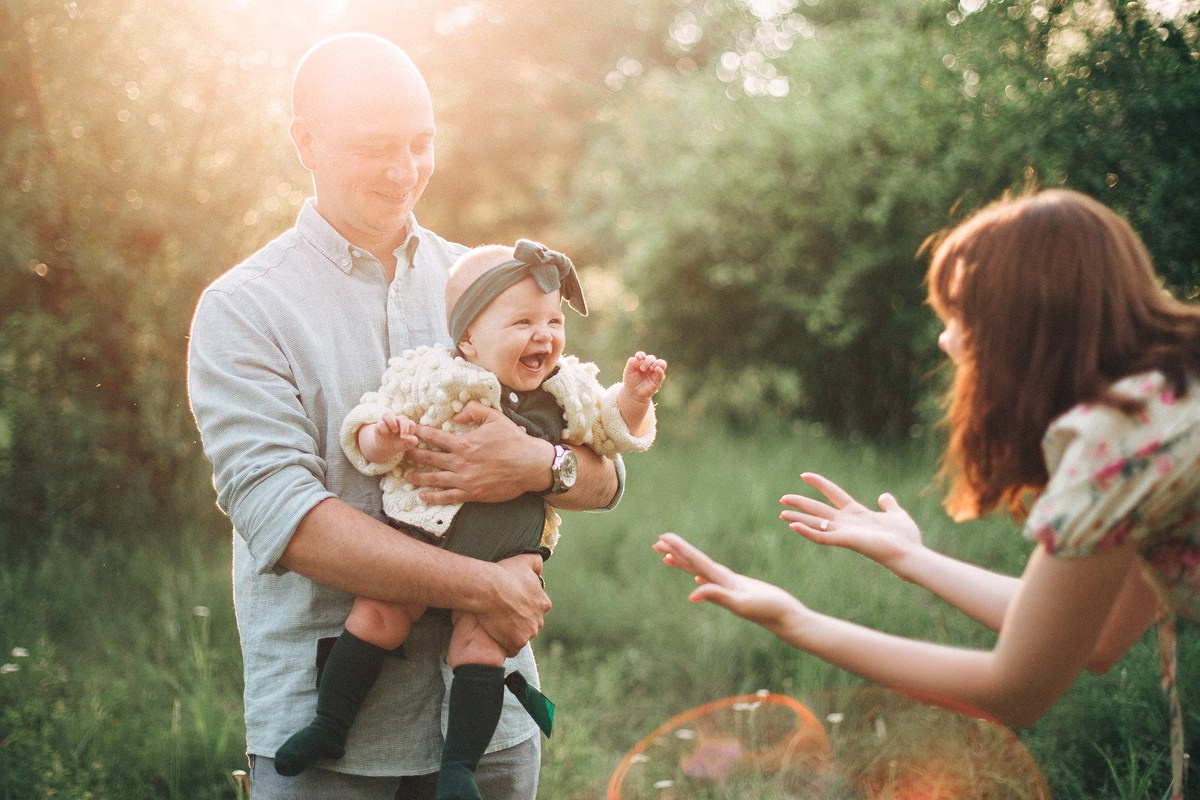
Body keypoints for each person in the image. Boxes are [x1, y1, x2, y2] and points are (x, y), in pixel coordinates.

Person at [187, 33, 625, 800]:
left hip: (485, 729)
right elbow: (287, 520)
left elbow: (607, 475)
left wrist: (535, 465)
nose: (405, 171)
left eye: (422, 143)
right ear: (306, 143)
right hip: (334, 745)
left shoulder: (489, 286)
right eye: (375, 146)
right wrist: (485, 589)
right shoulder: (244, 309)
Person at [653, 188, 1200, 800]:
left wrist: (796, 621)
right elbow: (1095, 640)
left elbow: (1017, 688)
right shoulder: (1169, 398)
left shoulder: (1118, 443)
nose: (946, 341)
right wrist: (909, 558)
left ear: (1022, 325)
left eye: (960, 316)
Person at [274, 239, 667, 798]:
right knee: (378, 613)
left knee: (479, 646)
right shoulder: (433, 376)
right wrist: (382, 437)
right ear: (467, 340)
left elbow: (609, 440)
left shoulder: (566, 390)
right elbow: (367, 420)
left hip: (510, 555)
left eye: (554, 320)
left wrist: (633, 396)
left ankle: (460, 767)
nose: (545, 335)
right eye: (524, 321)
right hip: (422, 542)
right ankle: (330, 725)